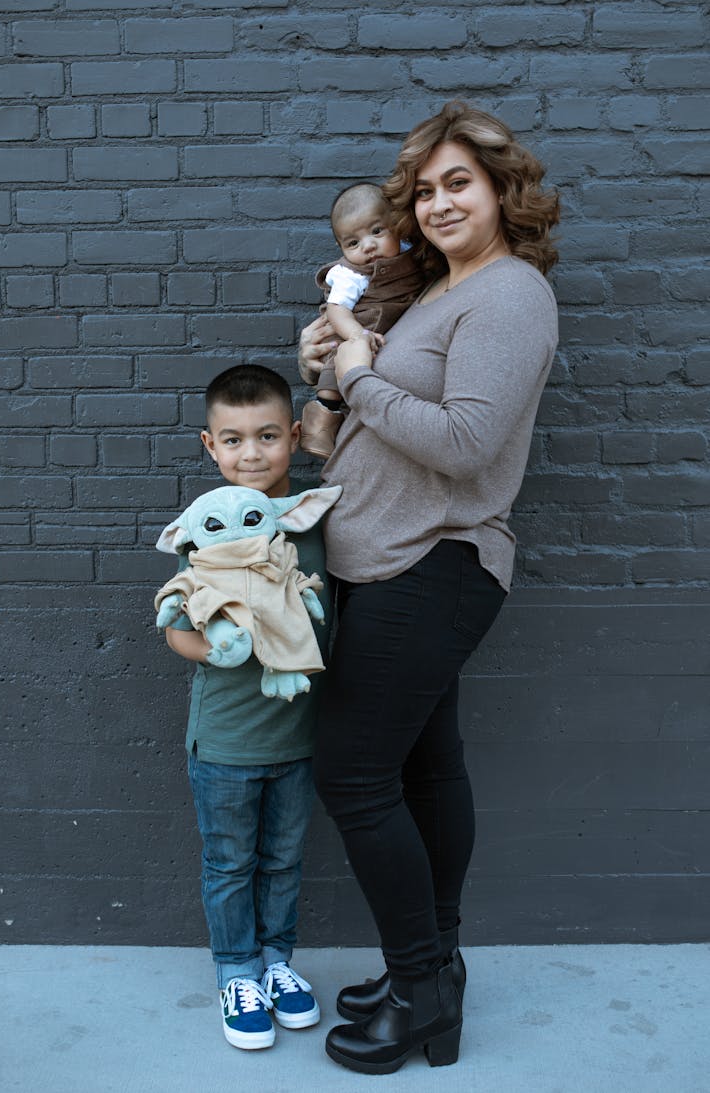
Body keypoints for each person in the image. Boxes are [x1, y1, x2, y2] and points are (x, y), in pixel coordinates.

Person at [297, 100, 560, 1075]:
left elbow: (465, 442)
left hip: (435, 563)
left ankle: (419, 991)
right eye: (427, 188)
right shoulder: (441, 292)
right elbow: (382, 406)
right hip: (390, 558)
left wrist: (362, 377)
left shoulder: (509, 296)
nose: (441, 201)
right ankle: (435, 971)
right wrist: (332, 377)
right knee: (424, 769)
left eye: (462, 182)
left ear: (502, 191)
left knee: (353, 776)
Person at [163, 365, 331, 1052]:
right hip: (227, 741)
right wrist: (218, 647)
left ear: (294, 436)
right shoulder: (203, 527)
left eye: (267, 435)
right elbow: (175, 626)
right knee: (231, 862)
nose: (251, 453)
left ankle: (277, 962)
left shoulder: (312, 516)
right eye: (233, 440)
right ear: (210, 445)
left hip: (298, 735)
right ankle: (237, 971)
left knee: (284, 859)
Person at [299, 182, 425, 460]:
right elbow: (337, 310)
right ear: (341, 247)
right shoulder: (350, 274)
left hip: (391, 319)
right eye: (353, 243)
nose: (368, 246)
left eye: (377, 231)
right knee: (338, 355)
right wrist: (356, 335)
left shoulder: (412, 253)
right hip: (357, 322)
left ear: (397, 226)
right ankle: (320, 417)